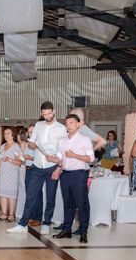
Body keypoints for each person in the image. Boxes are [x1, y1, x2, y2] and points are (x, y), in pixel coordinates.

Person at [8, 101, 67, 235]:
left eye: (49, 113)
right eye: (45, 114)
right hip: (37, 165)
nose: (47, 116)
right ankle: (22, 224)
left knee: (50, 197)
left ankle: (46, 223)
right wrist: (34, 144)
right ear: (41, 113)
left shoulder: (61, 128)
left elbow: (63, 150)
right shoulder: (38, 126)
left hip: (52, 166)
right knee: (31, 195)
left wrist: (58, 167)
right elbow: (31, 145)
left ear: (54, 111)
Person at [51, 114, 95, 244]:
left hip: (79, 174)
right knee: (68, 203)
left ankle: (83, 231)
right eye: (67, 123)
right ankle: (67, 230)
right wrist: (53, 159)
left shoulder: (85, 139)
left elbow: (90, 158)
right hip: (65, 174)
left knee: (81, 203)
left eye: (71, 123)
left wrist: (74, 155)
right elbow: (60, 157)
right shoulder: (62, 140)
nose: (68, 125)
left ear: (78, 124)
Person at [0, 127, 23, 222]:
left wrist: (9, 159)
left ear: (13, 135)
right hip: (3, 172)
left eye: (8, 133)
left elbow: (20, 162)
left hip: (12, 173)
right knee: (3, 194)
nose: (6, 135)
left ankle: (11, 214)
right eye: (5, 133)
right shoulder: (2, 146)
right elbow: (1, 159)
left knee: (11, 194)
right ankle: (4, 213)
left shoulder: (16, 147)